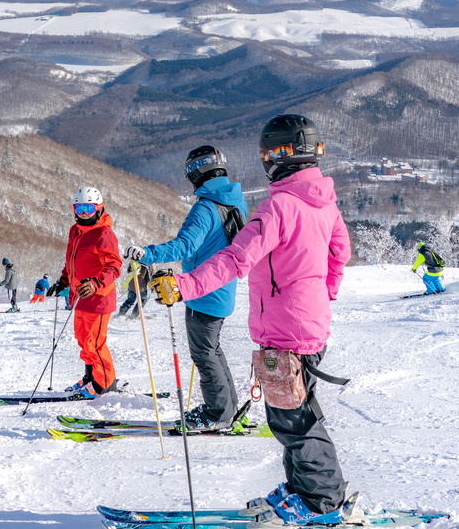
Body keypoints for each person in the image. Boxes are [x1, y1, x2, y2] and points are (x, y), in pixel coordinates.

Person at [151, 114, 351, 526]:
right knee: (290, 414)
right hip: (308, 326)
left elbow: (236, 258)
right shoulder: (324, 202)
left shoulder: (279, 206)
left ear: (280, 155)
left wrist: (184, 286)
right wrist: (321, 296)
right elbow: (339, 254)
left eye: (269, 152)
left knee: (295, 420)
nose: (266, 159)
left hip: (285, 331)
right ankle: (303, 492)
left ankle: (321, 504)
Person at [126, 146, 250, 432]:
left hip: (203, 291)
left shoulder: (206, 207)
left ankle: (218, 412)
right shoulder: (233, 200)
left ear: (197, 173)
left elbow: (186, 246)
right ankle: (226, 407)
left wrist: (146, 253)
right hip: (222, 285)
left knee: (204, 354)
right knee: (212, 350)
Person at [48, 186, 122, 399]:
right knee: (83, 340)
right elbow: (71, 261)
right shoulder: (76, 230)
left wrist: (96, 284)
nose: (83, 213)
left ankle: (104, 385)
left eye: (88, 208)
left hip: (98, 298)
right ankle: (91, 377)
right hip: (80, 297)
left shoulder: (104, 234)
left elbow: (114, 267)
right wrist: (63, 282)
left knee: (95, 342)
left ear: (99, 208)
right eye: (79, 208)